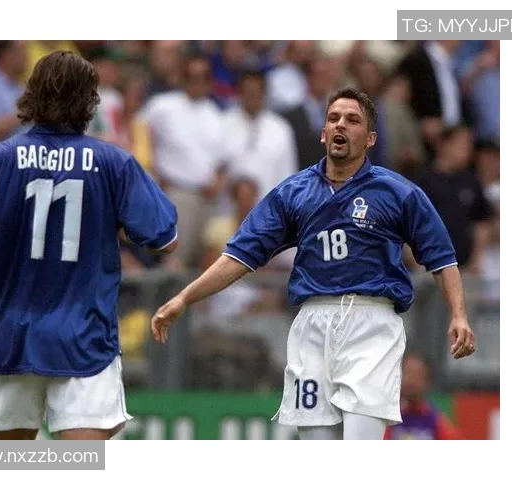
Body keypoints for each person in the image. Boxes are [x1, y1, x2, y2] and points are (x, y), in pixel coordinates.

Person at [151, 87, 476, 441]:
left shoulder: (397, 192)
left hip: (371, 324)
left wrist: (458, 315)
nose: (341, 125)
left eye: (352, 120)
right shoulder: (292, 193)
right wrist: (184, 298)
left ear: (370, 139)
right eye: (333, 118)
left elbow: (442, 258)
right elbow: (238, 258)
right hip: (311, 325)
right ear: (323, 133)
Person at [0, 51, 178, 441]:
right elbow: (166, 237)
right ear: (90, 100)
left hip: (6, 336)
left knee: (1, 464)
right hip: (83, 338)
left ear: (31, 94)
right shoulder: (113, 162)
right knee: (81, 465)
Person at [384, 353, 464, 440]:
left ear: (427, 380)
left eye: (416, 374)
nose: (410, 380)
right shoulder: (389, 415)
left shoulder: (433, 419)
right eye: (407, 373)